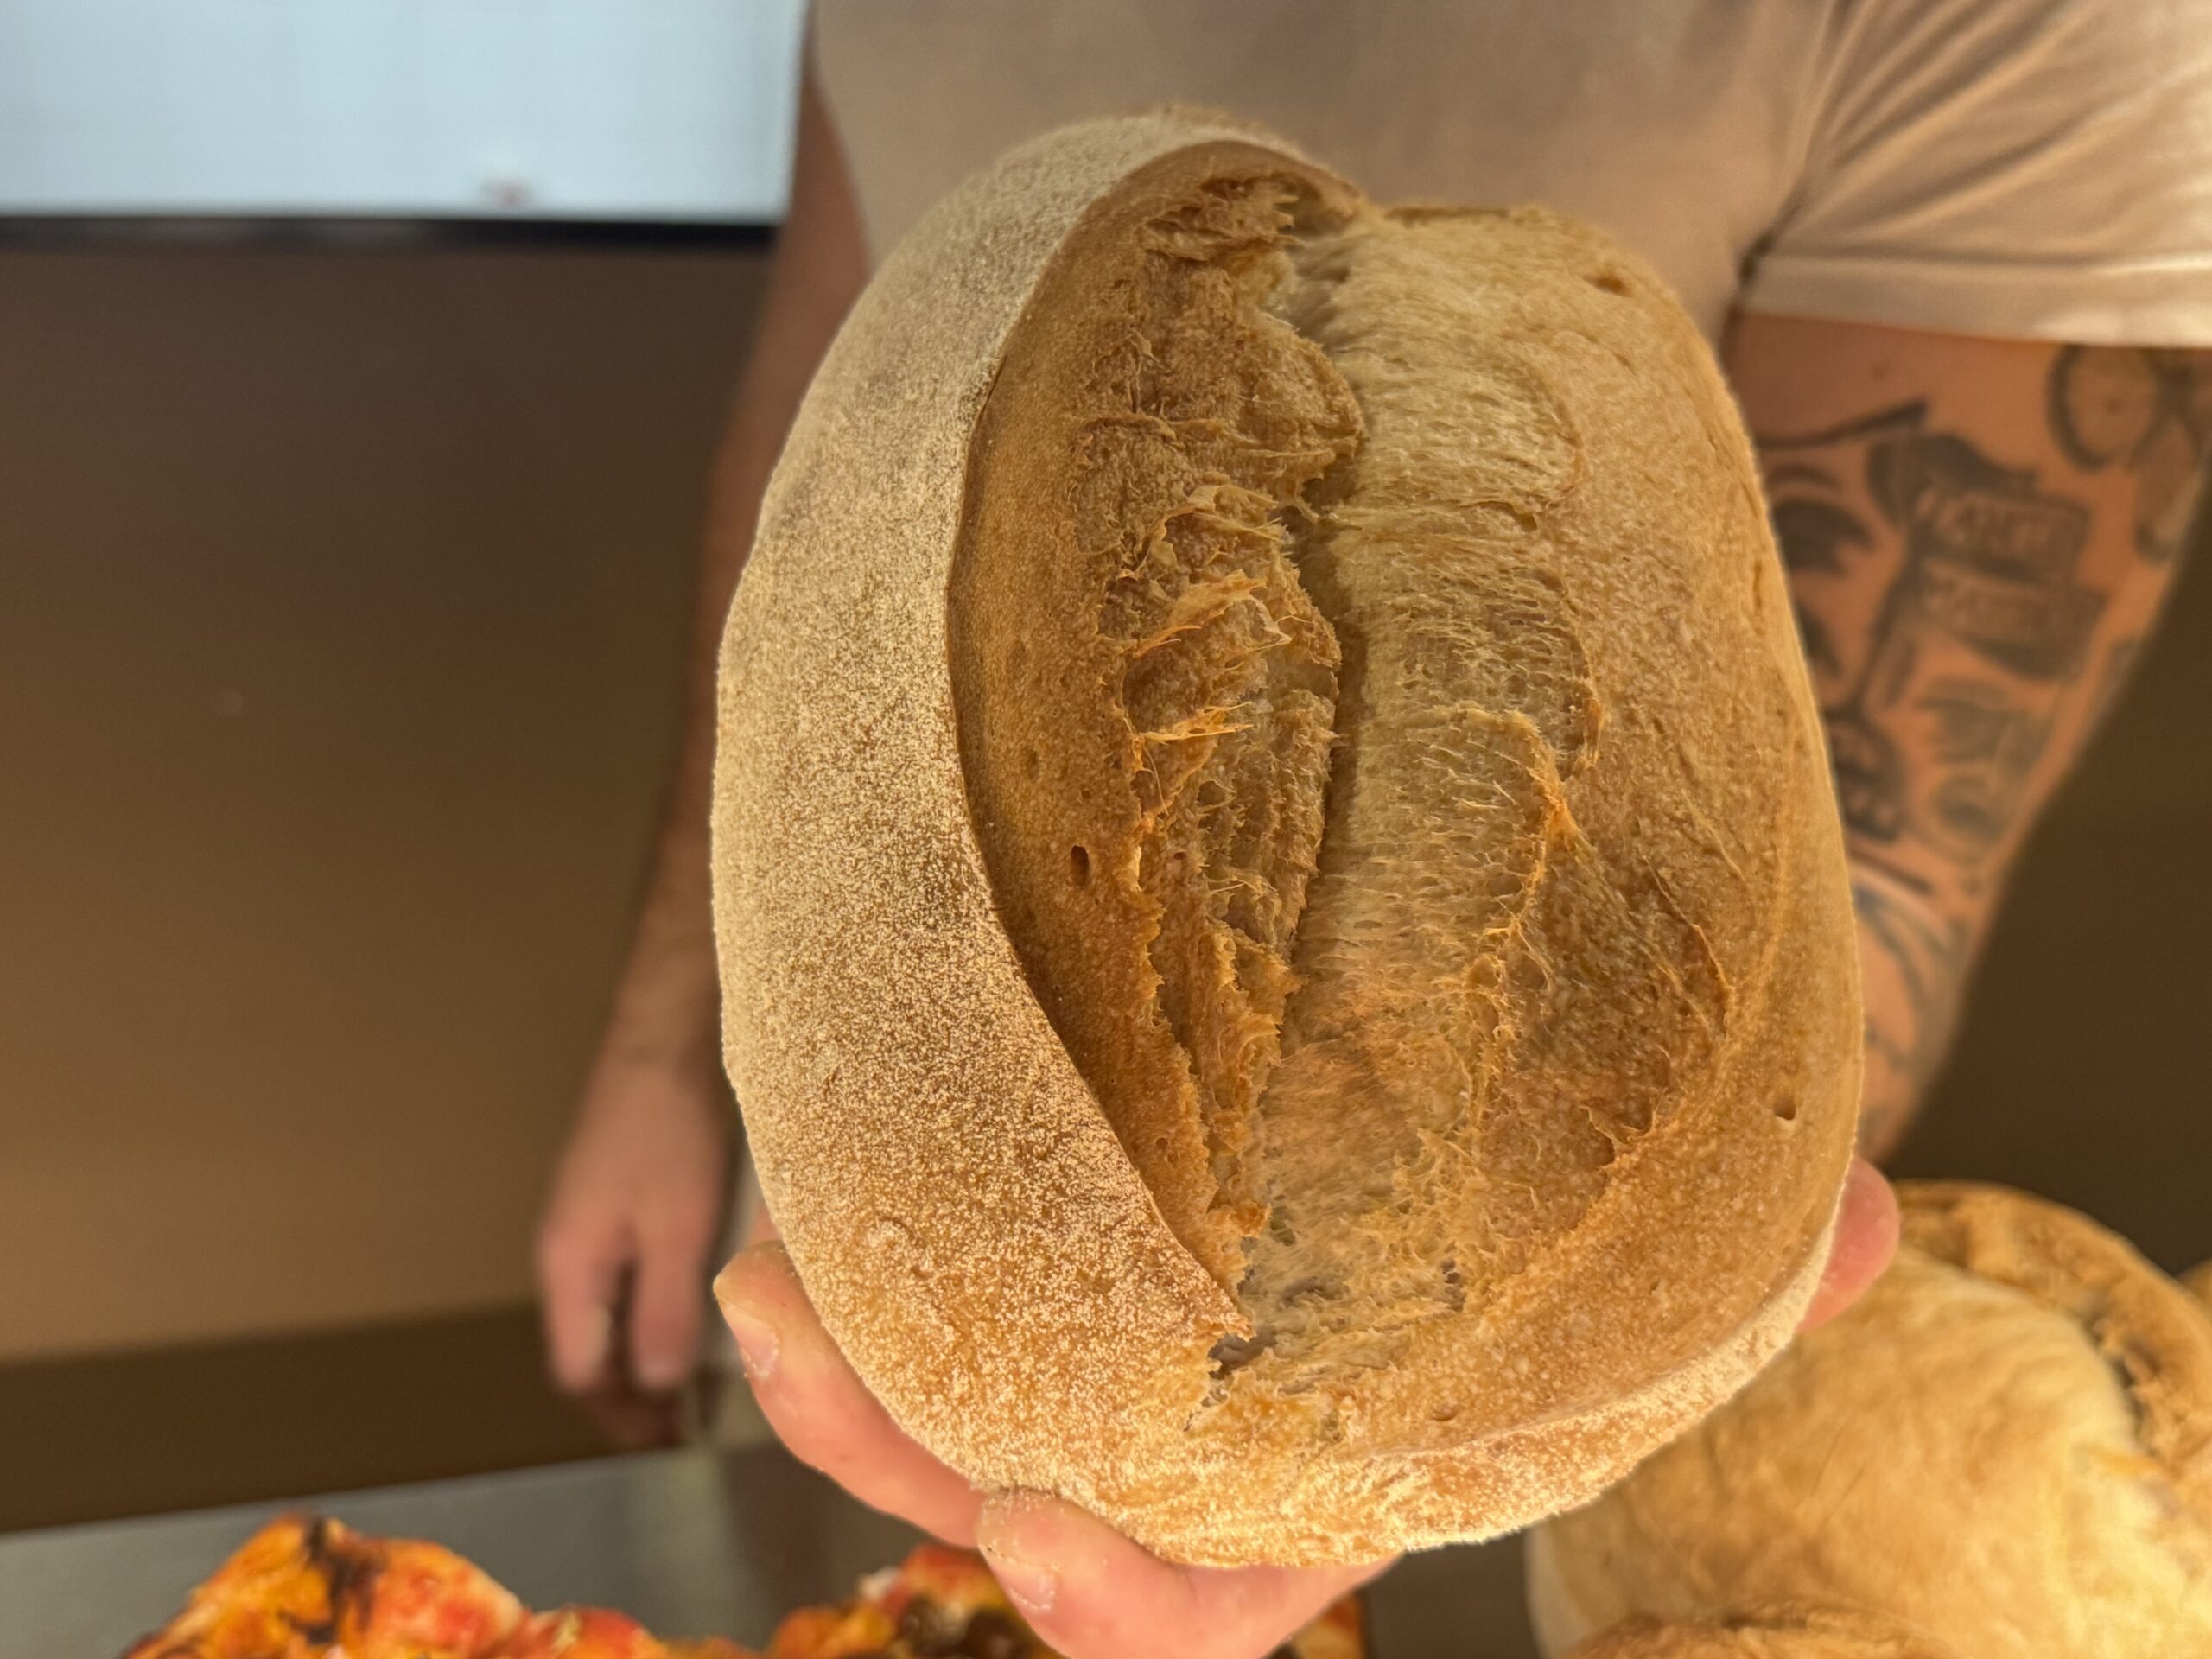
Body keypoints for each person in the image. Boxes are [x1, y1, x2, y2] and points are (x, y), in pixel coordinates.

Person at [540, 3, 2212, 1655]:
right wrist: (655, 1047)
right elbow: (820, 400)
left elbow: (1890, 844)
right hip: (878, 1182)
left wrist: (1534, 1371)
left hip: (1507, 1414)